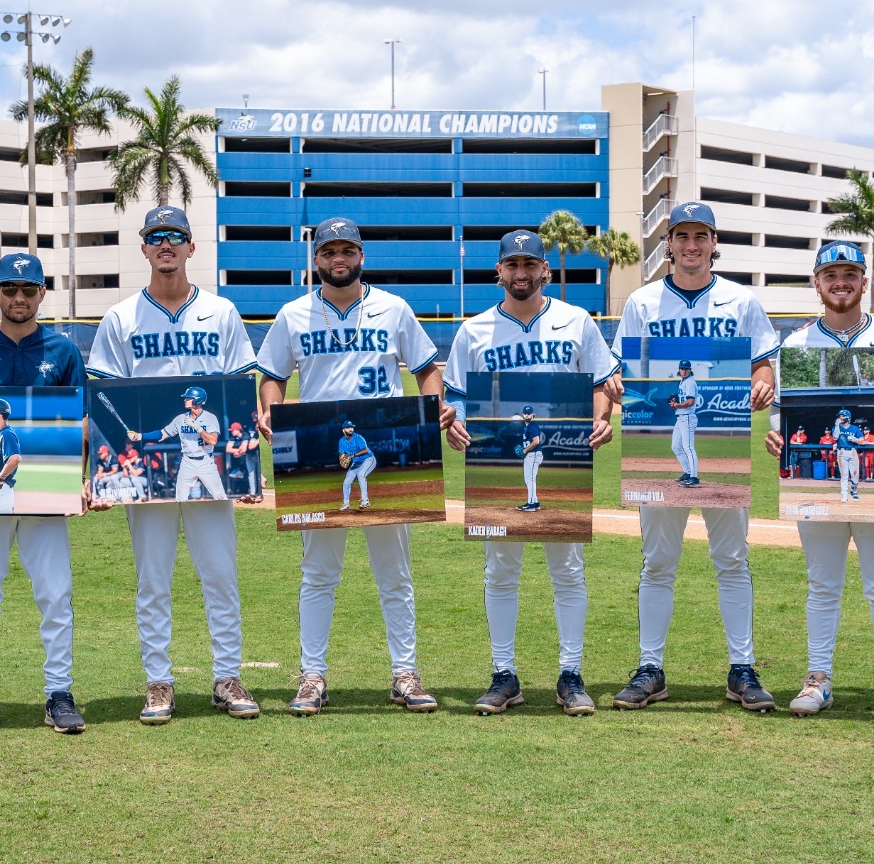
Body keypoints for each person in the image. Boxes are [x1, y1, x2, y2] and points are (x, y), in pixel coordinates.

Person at [255, 215, 444, 716]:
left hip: (382, 443)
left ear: (361, 256)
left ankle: (405, 672)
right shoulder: (293, 314)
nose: (338, 258)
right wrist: (268, 411)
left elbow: (427, 370)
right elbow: (272, 376)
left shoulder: (393, 308)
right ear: (315, 260)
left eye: (347, 250)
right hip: (319, 450)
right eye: (328, 251)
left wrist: (428, 417)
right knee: (318, 573)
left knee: (395, 574)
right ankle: (312, 676)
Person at [88, 206, 262, 723]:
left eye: (175, 236)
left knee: (220, 574)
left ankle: (227, 676)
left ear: (191, 247)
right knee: (153, 579)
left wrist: (249, 467)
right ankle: (158, 682)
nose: (165, 244)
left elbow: (240, 394)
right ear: (143, 248)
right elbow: (102, 397)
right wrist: (100, 475)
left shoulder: (222, 312)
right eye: (155, 236)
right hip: (156, 479)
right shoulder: (121, 317)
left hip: (210, 465)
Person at [442, 229, 621, 718]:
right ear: (498, 271)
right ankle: (504, 674)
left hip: (565, 456)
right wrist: (454, 421)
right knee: (500, 570)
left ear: (544, 270)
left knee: (567, 570)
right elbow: (454, 395)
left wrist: (602, 416)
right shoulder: (474, 330)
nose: (521, 273)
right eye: (512, 265)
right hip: (494, 458)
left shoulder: (575, 320)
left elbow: (603, 382)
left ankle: (571, 674)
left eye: (529, 265)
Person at [609, 202, 779, 714]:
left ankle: (742, 668)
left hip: (724, 437)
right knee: (658, 561)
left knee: (732, 558)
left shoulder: (740, 300)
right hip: (657, 433)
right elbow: (623, 366)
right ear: (669, 244)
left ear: (712, 242)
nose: (690, 245)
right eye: (680, 235)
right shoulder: (642, 302)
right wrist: (619, 385)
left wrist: (763, 382)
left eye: (699, 236)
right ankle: (649, 667)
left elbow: (765, 361)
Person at [765, 241, 874, 722]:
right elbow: (781, 414)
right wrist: (776, 437)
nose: (841, 282)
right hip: (816, 481)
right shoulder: (794, 345)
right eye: (831, 273)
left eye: (851, 273)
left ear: (865, 281)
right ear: (816, 283)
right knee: (822, 583)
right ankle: (818, 678)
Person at [0, 253, 88, 736]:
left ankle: (59, 692)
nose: (19, 298)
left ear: (42, 294)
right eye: (10, 289)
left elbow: (81, 425)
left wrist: (80, 480)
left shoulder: (64, 351)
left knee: (55, 594)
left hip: (47, 492)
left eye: (28, 289)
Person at [126, 386, 225, 501]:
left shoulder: (210, 418)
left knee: (220, 497)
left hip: (206, 461)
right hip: (187, 462)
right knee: (180, 499)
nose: (185, 400)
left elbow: (213, 441)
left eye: (188, 398)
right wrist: (140, 436)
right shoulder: (180, 419)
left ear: (197, 400)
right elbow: (162, 433)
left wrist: (197, 427)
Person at [669, 358, 700, 486]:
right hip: (680, 418)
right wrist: (674, 401)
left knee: (688, 447)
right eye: (682, 368)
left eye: (686, 369)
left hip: (687, 417)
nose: (684, 371)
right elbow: (683, 399)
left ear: (690, 370)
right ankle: (687, 472)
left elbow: (690, 402)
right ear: (679, 370)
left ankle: (694, 477)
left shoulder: (690, 382)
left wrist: (677, 405)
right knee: (676, 446)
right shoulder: (683, 382)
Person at [337, 419, 374, 509]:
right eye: (348, 428)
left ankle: (365, 501)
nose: (351, 429)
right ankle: (346, 504)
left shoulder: (358, 438)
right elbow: (342, 454)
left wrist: (353, 455)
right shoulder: (341, 441)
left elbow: (365, 450)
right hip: (357, 463)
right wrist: (342, 459)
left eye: (351, 427)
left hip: (368, 459)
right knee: (346, 482)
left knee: (360, 474)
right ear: (343, 430)